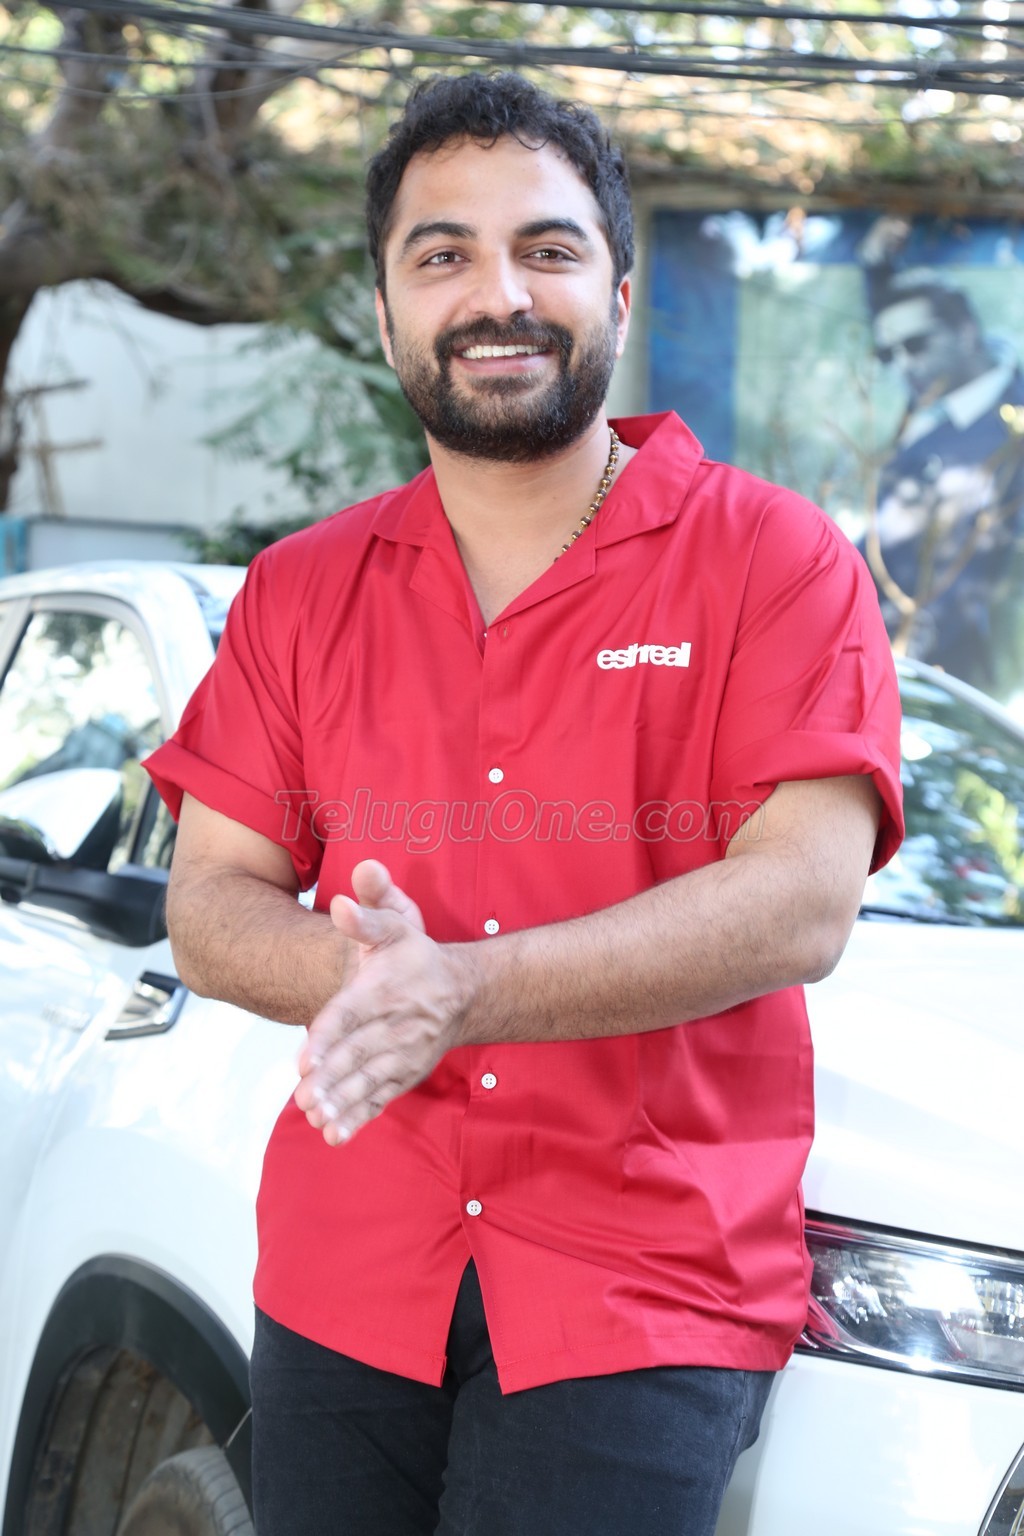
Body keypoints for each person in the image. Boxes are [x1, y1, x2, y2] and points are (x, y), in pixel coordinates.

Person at [145, 72, 904, 1536]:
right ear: (386, 315)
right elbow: (211, 902)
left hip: (644, 1283)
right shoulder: (300, 590)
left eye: (546, 250)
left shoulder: (775, 560)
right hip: (348, 1267)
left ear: (617, 292)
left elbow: (802, 900)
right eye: (443, 255)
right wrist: (373, 979)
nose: (498, 294)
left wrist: (463, 990)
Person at [860, 222, 1024, 694]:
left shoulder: (1005, 430)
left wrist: (906, 652)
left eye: (915, 347)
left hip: (943, 673)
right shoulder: (938, 402)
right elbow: (906, 322)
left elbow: (972, 574)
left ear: (966, 332)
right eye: (889, 355)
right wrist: (875, 270)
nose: (903, 365)